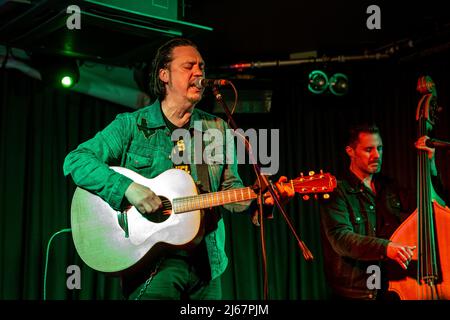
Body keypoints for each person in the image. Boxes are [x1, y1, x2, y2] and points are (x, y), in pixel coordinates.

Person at [63, 38, 292, 300]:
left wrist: (258, 202)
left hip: (207, 265)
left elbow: (230, 190)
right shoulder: (132, 125)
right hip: (151, 263)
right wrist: (128, 188)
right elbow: (77, 160)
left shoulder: (217, 129)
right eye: (189, 66)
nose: (199, 73)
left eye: (202, 67)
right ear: (164, 75)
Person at [320, 123, 446, 300]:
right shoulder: (337, 191)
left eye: (379, 148)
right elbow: (341, 239)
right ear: (350, 151)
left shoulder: (389, 187)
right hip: (355, 293)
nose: (377, 155)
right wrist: (386, 247)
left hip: (389, 288)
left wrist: (430, 166)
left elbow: (434, 205)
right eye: (368, 149)